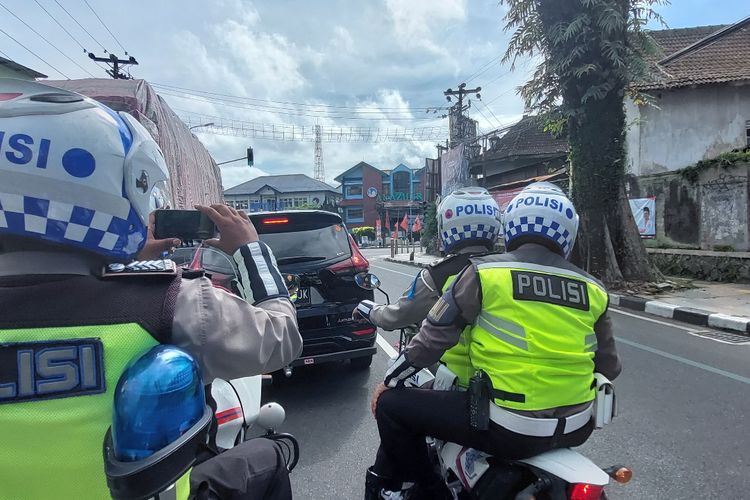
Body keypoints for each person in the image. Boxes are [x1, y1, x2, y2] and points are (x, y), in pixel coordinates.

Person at [0, 79, 302, 500]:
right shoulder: (170, 304)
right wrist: (250, 251)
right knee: (267, 456)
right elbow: (282, 337)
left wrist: (118, 258)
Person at [364, 182, 622, 500]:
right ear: (568, 234)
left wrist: (389, 381)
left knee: (391, 406)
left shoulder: (485, 273)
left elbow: (432, 339)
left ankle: (431, 491)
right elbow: (610, 366)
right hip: (576, 427)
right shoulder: (593, 289)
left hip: (507, 427)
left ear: (511, 225)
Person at [354, 187, 501, 388]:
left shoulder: (439, 274)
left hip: (459, 386)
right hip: (504, 384)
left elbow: (396, 317)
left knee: (387, 400)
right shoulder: (506, 270)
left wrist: (367, 309)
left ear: (446, 226)